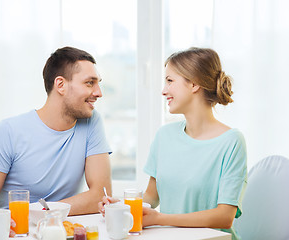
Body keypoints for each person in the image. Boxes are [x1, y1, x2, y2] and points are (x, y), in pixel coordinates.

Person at [99, 47, 247, 240]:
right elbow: (151, 197)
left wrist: (160, 218)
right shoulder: (164, 136)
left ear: (194, 84)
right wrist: (120, 205)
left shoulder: (232, 142)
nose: (163, 90)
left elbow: (224, 217)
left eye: (170, 81)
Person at [0, 47, 112, 234]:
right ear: (60, 85)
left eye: (98, 83)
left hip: (59, 231)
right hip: (15, 233)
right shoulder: (10, 131)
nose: (99, 92)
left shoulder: (91, 122)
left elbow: (100, 196)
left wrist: (43, 213)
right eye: (89, 83)